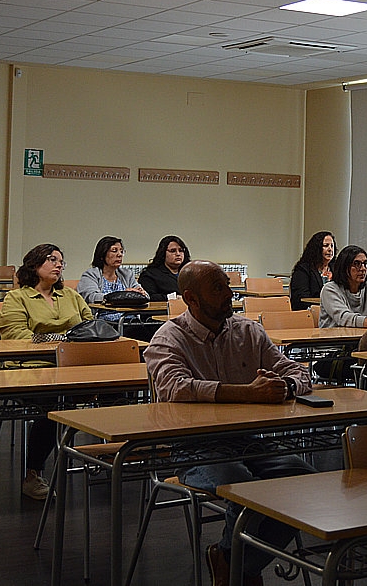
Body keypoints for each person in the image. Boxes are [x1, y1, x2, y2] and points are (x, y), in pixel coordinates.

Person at [144, 260, 315, 586]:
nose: (228, 294)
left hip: (249, 440)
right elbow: (174, 388)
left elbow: (298, 372)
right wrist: (248, 393)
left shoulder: (248, 331)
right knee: (245, 490)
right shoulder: (168, 338)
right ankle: (242, 572)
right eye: (217, 288)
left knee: (305, 483)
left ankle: (232, 561)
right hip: (194, 446)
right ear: (191, 298)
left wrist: (285, 387)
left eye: (227, 285)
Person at [0, 243, 93, 500]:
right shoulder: (17, 297)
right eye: (52, 259)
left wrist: (60, 340)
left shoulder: (70, 295)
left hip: (71, 366)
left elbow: (89, 326)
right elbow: (16, 335)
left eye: (61, 261)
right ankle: (33, 473)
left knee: (117, 391)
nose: (58, 265)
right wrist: (61, 339)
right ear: (34, 264)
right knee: (55, 400)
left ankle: (114, 457)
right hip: (31, 367)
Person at [77, 236, 146, 321]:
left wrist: (140, 293)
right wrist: (124, 295)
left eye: (121, 251)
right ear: (102, 255)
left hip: (130, 320)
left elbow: (145, 295)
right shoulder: (90, 275)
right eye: (114, 250)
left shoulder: (127, 274)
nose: (119, 255)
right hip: (104, 323)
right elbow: (91, 297)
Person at [289, 231, 335, 311]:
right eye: (326, 246)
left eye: (332, 246)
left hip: (333, 310)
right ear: (316, 248)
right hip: (311, 311)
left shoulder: (336, 268)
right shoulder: (303, 270)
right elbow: (301, 299)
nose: (330, 249)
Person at [139, 235, 190, 300]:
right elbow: (148, 297)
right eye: (173, 251)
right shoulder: (150, 275)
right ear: (163, 253)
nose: (178, 254)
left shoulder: (190, 273)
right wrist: (172, 297)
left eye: (181, 250)